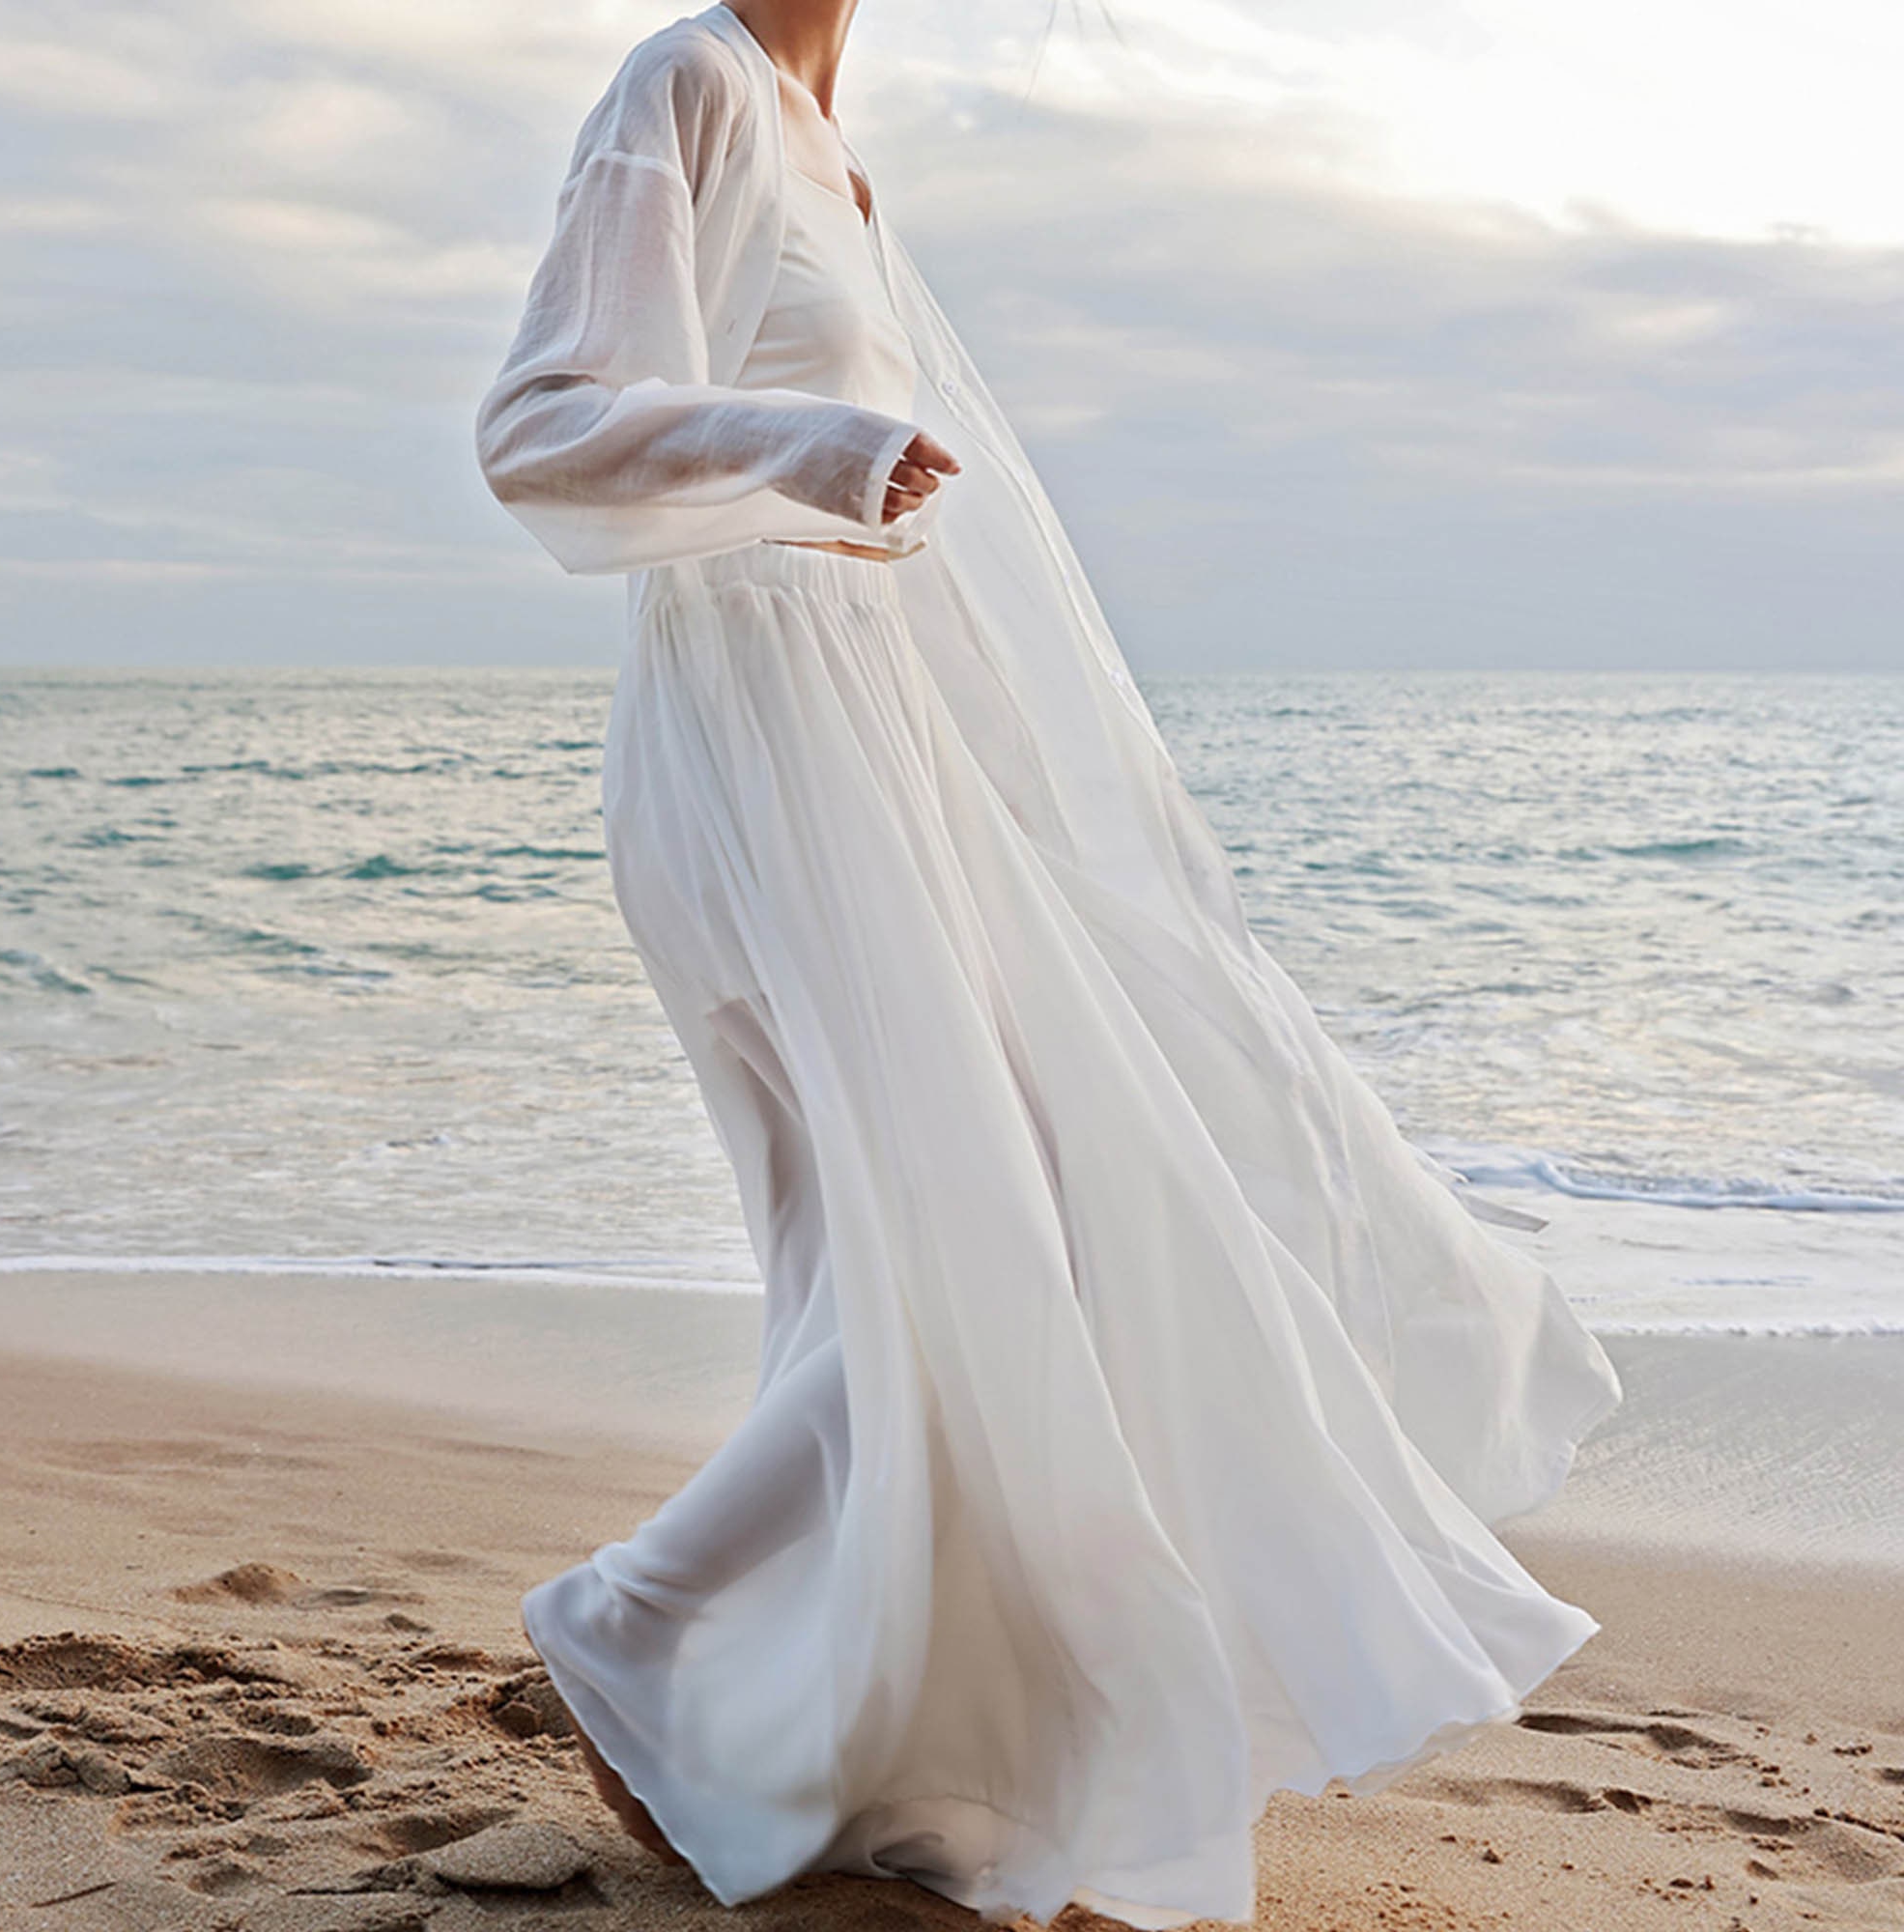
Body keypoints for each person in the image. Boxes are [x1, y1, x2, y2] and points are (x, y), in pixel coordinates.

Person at [472, 3, 1625, 1925]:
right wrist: (815, 445)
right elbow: (536, 427)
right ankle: (635, 1625)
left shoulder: (835, 154)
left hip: (883, 754)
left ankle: (867, 1740)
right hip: (763, 743)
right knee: (952, 1246)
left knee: (1012, 1234)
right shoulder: (683, 90)